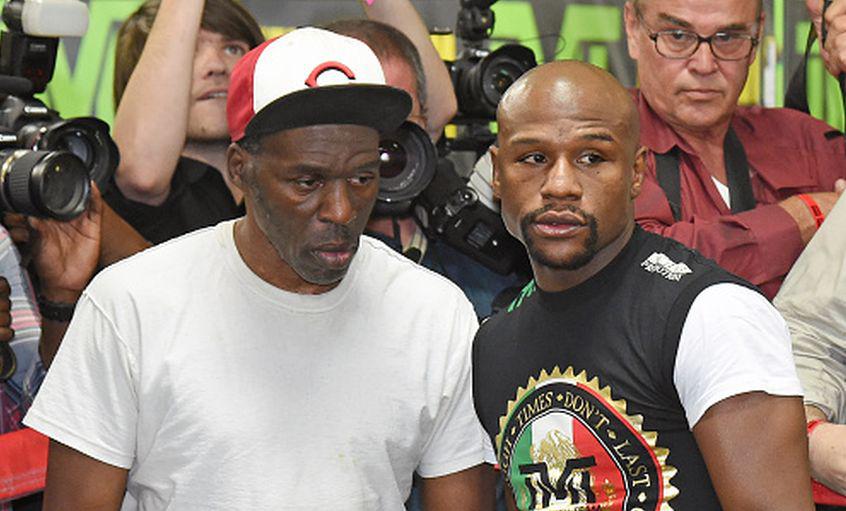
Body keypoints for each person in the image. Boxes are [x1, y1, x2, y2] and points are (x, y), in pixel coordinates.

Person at [23, 27, 494, 510]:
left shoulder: (433, 312)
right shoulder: (132, 304)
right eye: (307, 181)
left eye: (362, 177)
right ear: (239, 168)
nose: (340, 209)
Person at [474, 60, 814, 510]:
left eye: (592, 158)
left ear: (636, 173)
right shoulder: (493, 343)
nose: (560, 185)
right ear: (498, 173)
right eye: (533, 158)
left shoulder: (712, 315)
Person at [624, 0, 846, 300]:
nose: (704, 65)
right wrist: (804, 216)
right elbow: (638, 268)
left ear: (757, 37)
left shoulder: (801, 139)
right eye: (677, 36)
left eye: (728, 38)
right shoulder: (598, 142)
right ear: (633, 27)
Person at [326, 16, 526, 318]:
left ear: (425, 123)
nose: (380, 145)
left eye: (399, 118)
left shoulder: (482, 253)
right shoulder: (294, 258)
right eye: (360, 119)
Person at [104, 0, 263, 244]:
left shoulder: (293, 181)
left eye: (232, 49)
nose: (216, 66)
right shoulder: (133, 184)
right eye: (189, 49)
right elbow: (143, 176)